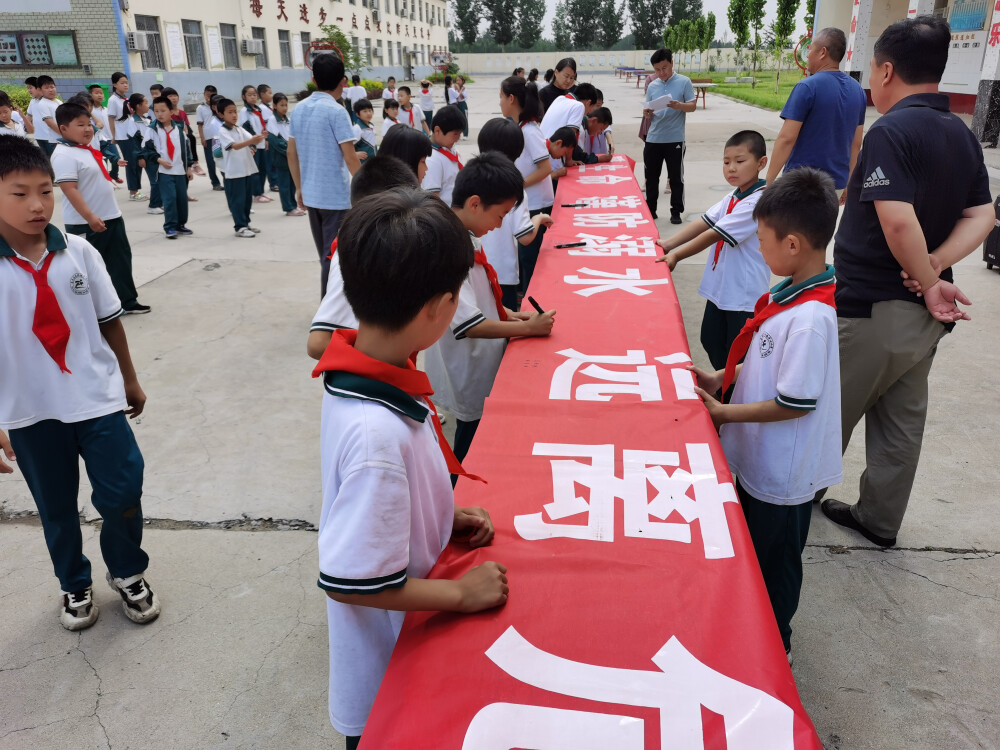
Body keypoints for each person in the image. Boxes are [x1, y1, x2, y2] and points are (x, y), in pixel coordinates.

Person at [314, 187, 508, 750]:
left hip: (405, 641)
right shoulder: (377, 433)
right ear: (441, 309)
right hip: (385, 679)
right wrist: (461, 595)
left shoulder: (369, 370)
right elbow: (353, 582)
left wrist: (437, 517)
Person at [820, 15, 995, 547]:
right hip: (922, 322)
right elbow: (983, 215)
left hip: (872, 309)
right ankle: (879, 518)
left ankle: (787, 499)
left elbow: (897, 221)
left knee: (826, 415)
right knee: (900, 422)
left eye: (871, 68)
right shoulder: (959, 134)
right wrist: (936, 269)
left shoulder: (892, 130)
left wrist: (925, 275)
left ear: (887, 68)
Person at [0, 136, 160, 631]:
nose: (37, 205)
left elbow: (110, 320)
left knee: (123, 490)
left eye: (46, 191)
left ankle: (127, 569)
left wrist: (129, 379)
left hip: (95, 398)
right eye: (19, 193)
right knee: (57, 509)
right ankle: (74, 582)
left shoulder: (79, 252)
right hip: (30, 411)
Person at [690, 168, 843, 663]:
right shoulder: (790, 293)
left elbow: (793, 402)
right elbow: (761, 358)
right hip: (761, 460)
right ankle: (752, 628)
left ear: (793, 244)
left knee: (776, 563)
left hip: (783, 471)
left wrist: (725, 415)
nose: (759, 248)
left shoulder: (811, 319)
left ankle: (775, 648)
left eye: (762, 240)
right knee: (753, 552)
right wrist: (720, 378)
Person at [424, 152, 556, 471]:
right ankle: (457, 504)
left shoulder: (465, 234)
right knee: (469, 448)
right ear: (474, 203)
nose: (499, 225)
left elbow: (478, 300)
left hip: (478, 359)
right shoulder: (449, 250)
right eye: (500, 215)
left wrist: (512, 315)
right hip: (468, 365)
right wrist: (528, 329)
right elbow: (468, 324)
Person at [654, 130, 771, 371]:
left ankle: (732, 400)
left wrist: (677, 255)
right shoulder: (734, 196)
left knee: (737, 353)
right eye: (726, 162)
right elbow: (705, 221)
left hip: (744, 295)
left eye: (740, 161)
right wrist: (667, 244)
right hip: (722, 289)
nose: (731, 168)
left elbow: (714, 233)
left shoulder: (758, 201)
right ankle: (724, 389)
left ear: (761, 163)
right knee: (711, 340)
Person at [306, 154, 422, 359]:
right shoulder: (360, 255)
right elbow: (318, 343)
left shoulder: (379, 246)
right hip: (372, 382)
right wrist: (385, 362)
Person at [50, 102, 147, 313]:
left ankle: (127, 301)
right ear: (64, 129)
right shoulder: (64, 155)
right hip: (86, 222)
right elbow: (70, 190)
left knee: (120, 261)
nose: (88, 129)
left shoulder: (85, 149)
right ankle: (98, 309)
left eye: (89, 124)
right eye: (80, 125)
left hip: (111, 215)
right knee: (91, 269)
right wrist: (90, 217)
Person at [288, 53, 362, 297]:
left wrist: (299, 188)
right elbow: (350, 158)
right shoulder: (336, 111)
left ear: (313, 78)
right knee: (334, 260)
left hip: (311, 196)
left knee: (326, 257)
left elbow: (292, 153)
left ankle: (330, 311)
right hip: (335, 199)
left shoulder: (299, 109)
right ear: (342, 81)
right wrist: (368, 193)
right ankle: (328, 316)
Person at [766, 27, 866, 202]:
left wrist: (769, 183)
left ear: (822, 52)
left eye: (810, 49)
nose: (808, 54)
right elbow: (856, 144)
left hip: (800, 185)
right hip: (835, 185)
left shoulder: (807, 87)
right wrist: (848, 182)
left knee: (792, 229)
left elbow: (786, 138)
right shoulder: (858, 90)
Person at [477, 118, 552, 310]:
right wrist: (539, 218)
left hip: (473, 270)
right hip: (500, 274)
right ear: (518, 152)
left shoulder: (470, 179)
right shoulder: (514, 188)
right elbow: (526, 237)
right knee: (503, 325)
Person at [499, 75, 553, 295]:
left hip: (536, 204)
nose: (500, 102)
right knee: (525, 256)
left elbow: (545, 168)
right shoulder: (519, 127)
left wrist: (516, 185)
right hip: (527, 201)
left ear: (511, 99)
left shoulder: (529, 130)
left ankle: (532, 301)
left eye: (501, 96)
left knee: (529, 259)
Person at [643, 48, 697, 224]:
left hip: (674, 138)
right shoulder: (652, 85)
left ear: (672, 63)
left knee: (675, 178)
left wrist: (679, 105)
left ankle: (676, 211)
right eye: (657, 69)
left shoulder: (684, 82)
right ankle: (651, 210)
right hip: (653, 138)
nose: (661, 73)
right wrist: (647, 113)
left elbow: (692, 106)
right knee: (651, 177)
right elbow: (648, 110)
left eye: (664, 68)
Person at [217, 97, 264, 238]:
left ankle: (246, 223)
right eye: (230, 112)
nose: (234, 115)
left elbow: (251, 138)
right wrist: (251, 141)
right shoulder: (223, 131)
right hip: (234, 172)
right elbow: (235, 146)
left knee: (246, 200)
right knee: (237, 201)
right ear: (221, 115)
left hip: (246, 170)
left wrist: (260, 137)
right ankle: (240, 227)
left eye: (235, 112)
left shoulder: (238, 129)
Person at [150, 96, 193, 240]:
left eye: (163, 110)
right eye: (156, 111)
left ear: (171, 111)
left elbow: (186, 148)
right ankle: (170, 227)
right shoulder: (152, 129)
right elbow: (146, 150)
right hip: (164, 172)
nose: (159, 114)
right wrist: (159, 160)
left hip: (180, 170)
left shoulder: (179, 127)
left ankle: (180, 224)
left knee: (181, 199)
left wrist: (189, 167)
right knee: (170, 199)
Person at [106, 73, 145, 201]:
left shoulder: (125, 99)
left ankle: (136, 190)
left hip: (133, 134)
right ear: (115, 84)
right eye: (122, 82)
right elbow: (111, 119)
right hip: (123, 136)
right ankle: (133, 192)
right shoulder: (113, 100)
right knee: (132, 163)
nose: (125, 85)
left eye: (126, 82)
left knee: (138, 162)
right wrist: (114, 136)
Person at [267, 93, 305, 216]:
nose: (284, 107)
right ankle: (288, 208)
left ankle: (293, 205)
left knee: (292, 183)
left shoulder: (287, 120)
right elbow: (275, 141)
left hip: (291, 156)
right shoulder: (272, 121)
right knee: (284, 184)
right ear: (274, 105)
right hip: (281, 158)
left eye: (286, 105)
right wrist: (290, 151)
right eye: (281, 105)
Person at [421, 105, 466, 207]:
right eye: (455, 134)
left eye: (460, 134)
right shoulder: (431, 159)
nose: (458, 138)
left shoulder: (450, 147)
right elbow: (433, 198)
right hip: (446, 215)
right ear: (437, 131)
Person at [128, 93, 163, 215]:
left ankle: (159, 203)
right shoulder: (133, 121)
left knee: (159, 179)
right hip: (146, 155)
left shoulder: (147, 119)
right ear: (138, 106)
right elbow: (134, 142)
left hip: (153, 153)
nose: (148, 105)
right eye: (146, 103)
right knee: (155, 181)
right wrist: (140, 157)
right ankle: (153, 206)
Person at [239, 85, 272, 204]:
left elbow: (262, 126)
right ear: (244, 97)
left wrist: (265, 138)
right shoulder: (244, 111)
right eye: (249, 95)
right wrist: (252, 142)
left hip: (262, 142)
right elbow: (245, 128)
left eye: (254, 95)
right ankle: (256, 193)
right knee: (255, 169)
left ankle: (261, 191)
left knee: (263, 168)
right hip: (254, 143)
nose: (253, 97)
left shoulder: (258, 110)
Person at [196, 85, 224, 191]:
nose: (208, 99)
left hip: (219, 137)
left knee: (222, 158)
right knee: (211, 161)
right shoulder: (201, 108)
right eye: (207, 96)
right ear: (204, 95)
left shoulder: (219, 106)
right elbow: (200, 125)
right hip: (208, 138)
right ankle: (215, 183)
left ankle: (226, 178)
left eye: (211, 96)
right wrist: (202, 138)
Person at [257, 83, 280, 191]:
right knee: (270, 162)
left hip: (274, 137)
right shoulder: (262, 108)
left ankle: (276, 181)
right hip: (269, 138)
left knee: (275, 160)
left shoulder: (269, 107)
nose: (271, 95)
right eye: (269, 93)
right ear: (262, 94)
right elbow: (265, 125)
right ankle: (273, 183)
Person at [33, 75, 61, 157]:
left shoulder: (58, 101)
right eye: (46, 88)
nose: (50, 90)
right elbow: (50, 123)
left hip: (64, 138)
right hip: (56, 141)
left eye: (52, 87)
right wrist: (64, 134)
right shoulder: (43, 104)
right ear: (40, 90)